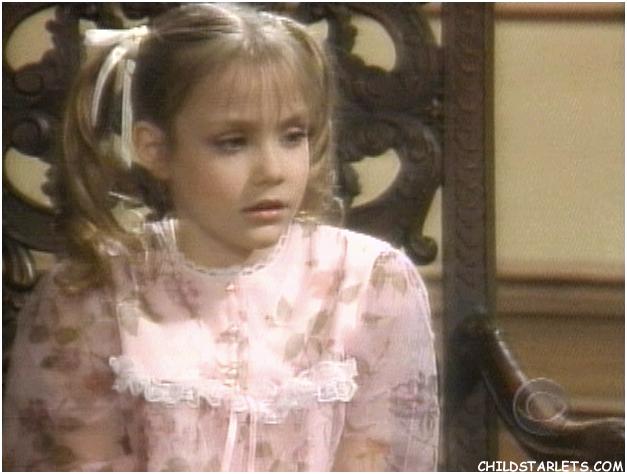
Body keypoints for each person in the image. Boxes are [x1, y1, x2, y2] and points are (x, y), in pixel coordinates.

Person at [3, 4, 439, 471]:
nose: (272, 171)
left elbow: (379, 458)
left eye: (293, 135)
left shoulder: (372, 283)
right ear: (156, 149)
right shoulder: (92, 294)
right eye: (233, 142)